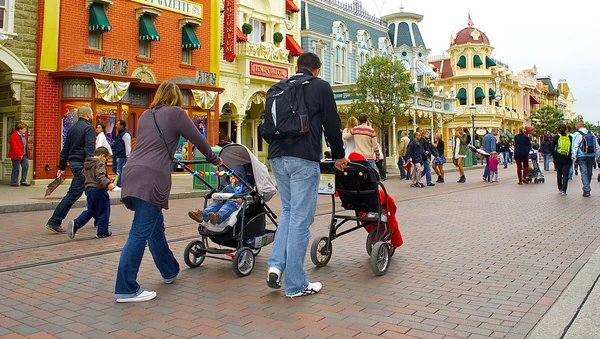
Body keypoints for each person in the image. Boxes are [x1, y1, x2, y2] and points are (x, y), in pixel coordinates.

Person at [114, 81, 222, 303]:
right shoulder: (176, 113)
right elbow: (198, 139)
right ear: (175, 97)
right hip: (151, 177)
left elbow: (150, 144)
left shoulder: (146, 115)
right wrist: (214, 159)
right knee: (139, 233)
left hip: (132, 172)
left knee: (154, 228)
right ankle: (126, 288)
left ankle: (169, 270)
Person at [264, 52, 348, 298]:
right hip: (303, 156)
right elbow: (332, 124)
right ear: (317, 70)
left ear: (297, 67)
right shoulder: (320, 86)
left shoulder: (280, 86)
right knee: (301, 218)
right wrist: (339, 155)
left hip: (277, 156)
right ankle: (295, 284)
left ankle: (275, 266)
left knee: (289, 213)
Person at [46, 106, 96, 233]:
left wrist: (62, 167)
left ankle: (99, 218)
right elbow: (89, 149)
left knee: (91, 190)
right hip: (83, 165)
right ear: (88, 115)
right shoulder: (89, 128)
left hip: (73, 164)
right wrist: (91, 165)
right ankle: (55, 220)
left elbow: (65, 150)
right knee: (74, 193)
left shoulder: (72, 129)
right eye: (92, 113)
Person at [67, 146, 115, 239]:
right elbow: (99, 176)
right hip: (99, 190)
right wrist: (108, 184)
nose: (105, 161)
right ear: (103, 155)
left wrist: (107, 177)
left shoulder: (87, 164)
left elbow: (90, 176)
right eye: (106, 159)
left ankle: (76, 223)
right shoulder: (99, 164)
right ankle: (102, 231)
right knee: (104, 210)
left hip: (89, 190)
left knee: (91, 210)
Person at [571, 121, 600, 197]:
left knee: (584, 172)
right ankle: (587, 187)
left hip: (582, 156)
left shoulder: (576, 134)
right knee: (589, 172)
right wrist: (598, 157)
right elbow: (597, 147)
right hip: (591, 155)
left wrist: (574, 158)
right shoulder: (592, 133)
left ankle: (586, 189)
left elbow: (575, 147)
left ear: (577, 126)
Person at [8, 122, 31, 187]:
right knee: (16, 168)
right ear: (20, 129)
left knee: (25, 166)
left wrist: (27, 153)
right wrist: (19, 154)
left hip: (24, 154)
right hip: (16, 155)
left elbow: (25, 145)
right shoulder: (14, 135)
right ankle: (13, 182)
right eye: (24, 129)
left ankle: (23, 181)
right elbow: (14, 146)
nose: (25, 130)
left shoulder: (24, 135)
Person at [552, 123, 572, 196]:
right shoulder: (570, 137)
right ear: (566, 129)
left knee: (559, 173)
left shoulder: (556, 137)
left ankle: (560, 188)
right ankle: (564, 190)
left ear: (558, 129)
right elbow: (571, 148)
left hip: (558, 158)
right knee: (565, 174)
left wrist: (554, 156)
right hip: (567, 158)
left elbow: (552, 148)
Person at [111, 120, 131, 191]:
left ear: (122, 126)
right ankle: (119, 182)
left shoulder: (125, 134)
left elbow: (127, 146)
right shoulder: (119, 134)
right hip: (116, 155)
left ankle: (120, 185)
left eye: (118, 124)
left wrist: (128, 156)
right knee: (115, 169)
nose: (116, 126)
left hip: (121, 155)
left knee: (119, 170)